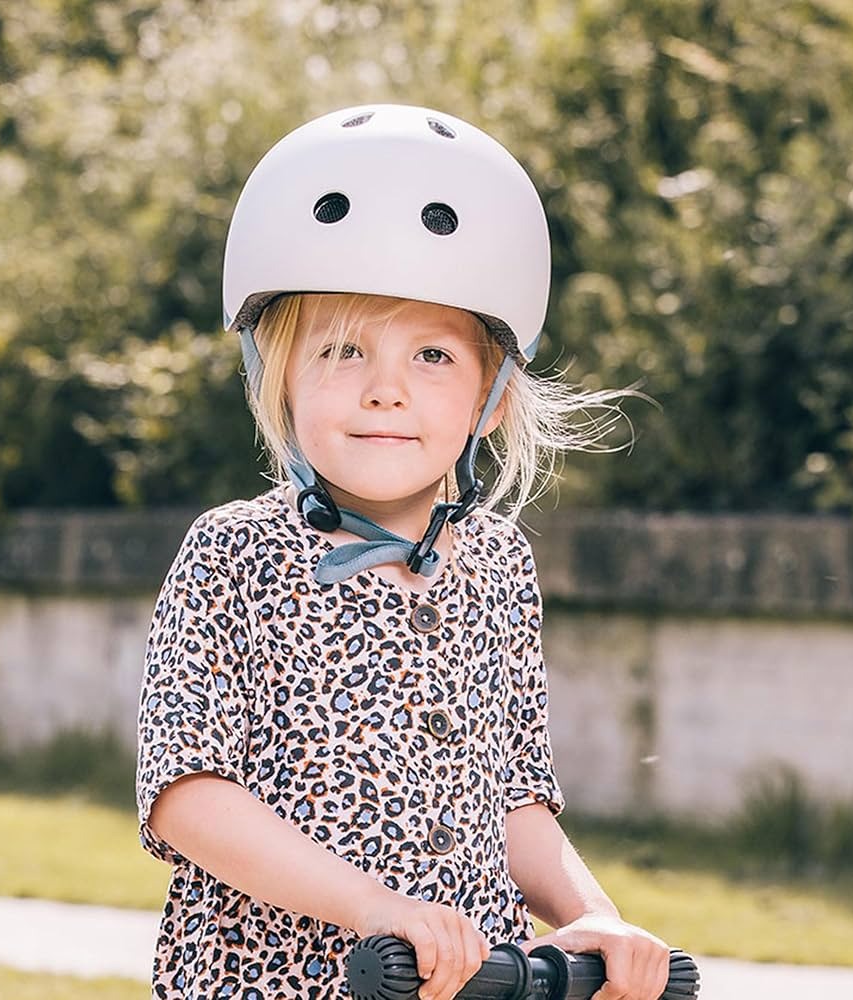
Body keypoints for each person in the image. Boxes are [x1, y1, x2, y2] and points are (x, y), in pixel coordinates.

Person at [136, 104, 669, 1000]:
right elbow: (189, 796)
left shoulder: (498, 565)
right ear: (281, 377)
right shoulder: (233, 553)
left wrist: (594, 914)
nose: (386, 392)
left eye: (431, 356)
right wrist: (378, 909)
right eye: (343, 351)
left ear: (492, 397)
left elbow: (515, 799)